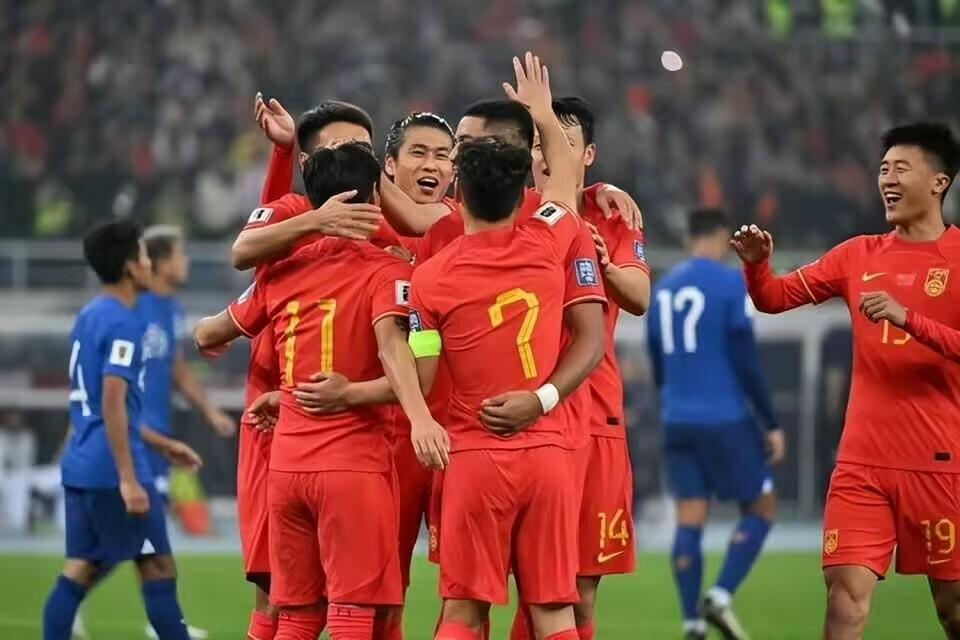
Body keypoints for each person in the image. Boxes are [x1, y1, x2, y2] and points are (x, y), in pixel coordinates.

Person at [196, 142, 435, 640]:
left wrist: (281, 388)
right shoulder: (388, 271)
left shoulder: (282, 271)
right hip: (352, 465)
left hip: (288, 469)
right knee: (351, 612)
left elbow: (209, 333)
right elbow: (393, 349)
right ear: (374, 199)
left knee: (298, 617)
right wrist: (419, 417)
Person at [731, 122, 960, 640]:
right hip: (862, 466)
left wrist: (909, 319)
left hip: (940, 465)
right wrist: (757, 267)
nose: (888, 179)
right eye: (883, 169)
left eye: (901, 168)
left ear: (939, 182)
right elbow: (774, 299)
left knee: (953, 610)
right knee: (845, 602)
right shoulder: (858, 254)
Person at [408, 53, 605, 640]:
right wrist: (542, 112)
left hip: (473, 455)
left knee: (465, 612)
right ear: (523, 190)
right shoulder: (548, 240)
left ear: (460, 192)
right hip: (545, 452)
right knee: (554, 611)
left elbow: (422, 374)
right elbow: (564, 178)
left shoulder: (430, 280)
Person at [228, 99, 386, 640]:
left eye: (363, 148)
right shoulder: (295, 213)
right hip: (280, 421)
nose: (353, 156)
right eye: (340, 147)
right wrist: (315, 213)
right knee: (279, 592)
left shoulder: (382, 221)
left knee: (372, 595)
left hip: (364, 427)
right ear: (309, 161)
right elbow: (244, 251)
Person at [510, 96, 652, 640]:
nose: (549, 155)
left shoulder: (612, 216)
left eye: (564, 143)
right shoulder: (510, 207)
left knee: (581, 589)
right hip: (529, 416)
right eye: (540, 143)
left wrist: (605, 266)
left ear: (588, 154)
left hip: (596, 418)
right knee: (534, 585)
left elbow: (639, 295)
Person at [43, 221, 200, 640]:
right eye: (144, 256)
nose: (149, 263)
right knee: (158, 566)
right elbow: (112, 402)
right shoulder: (125, 324)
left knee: (81, 568)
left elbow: (99, 405)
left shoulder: (89, 315)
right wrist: (129, 479)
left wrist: (161, 444)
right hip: (112, 468)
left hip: (82, 461)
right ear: (131, 266)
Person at [648, 208, 782, 640]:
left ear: (688, 238)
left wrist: (673, 401)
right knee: (761, 508)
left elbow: (658, 362)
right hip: (725, 417)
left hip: (676, 419)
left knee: (690, 518)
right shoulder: (730, 284)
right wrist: (770, 421)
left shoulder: (663, 290)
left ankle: (691, 622)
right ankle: (721, 594)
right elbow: (746, 360)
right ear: (724, 238)